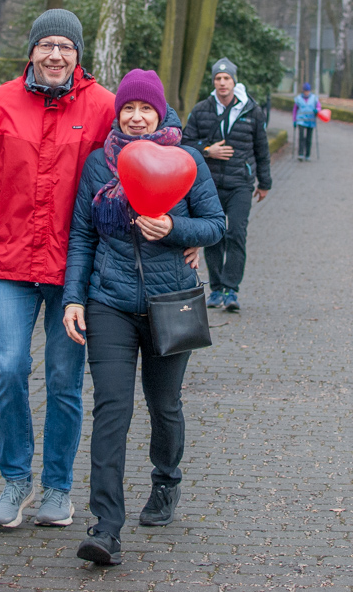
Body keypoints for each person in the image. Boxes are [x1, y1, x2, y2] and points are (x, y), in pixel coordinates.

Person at [0, 9, 114, 529]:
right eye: (46, 44)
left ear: (78, 55)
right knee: (8, 368)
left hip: (74, 270)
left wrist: (180, 224)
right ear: (30, 51)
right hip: (10, 263)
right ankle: (15, 480)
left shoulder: (104, 107)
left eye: (66, 46)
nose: (55, 55)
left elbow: (149, 147)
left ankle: (58, 488)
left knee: (64, 379)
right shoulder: (0, 102)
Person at [62, 69, 225, 566]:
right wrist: (74, 297)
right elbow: (83, 237)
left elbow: (216, 226)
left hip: (169, 304)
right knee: (112, 409)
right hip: (108, 302)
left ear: (160, 112)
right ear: (119, 113)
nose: (136, 117)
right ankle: (105, 528)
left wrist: (175, 228)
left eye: (145, 109)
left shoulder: (188, 160)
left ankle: (166, 481)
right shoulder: (97, 164)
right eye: (128, 108)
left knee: (164, 405)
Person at [181, 57, 272, 313]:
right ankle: (217, 289)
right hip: (209, 184)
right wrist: (208, 151)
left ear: (234, 81)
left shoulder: (251, 110)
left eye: (226, 78)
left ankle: (232, 289)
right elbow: (185, 143)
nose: (222, 83)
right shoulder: (202, 109)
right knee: (214, 236)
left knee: (236, 234)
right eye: (218, 79)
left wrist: (265, 183)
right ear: (214, 82)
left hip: (240, 184)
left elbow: (262, 149)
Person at [292, 82, 320, 161]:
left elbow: (319, 107)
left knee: (309, 138)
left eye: (308, 91)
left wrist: (317, 111)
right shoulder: (298, 99)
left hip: (311, 121)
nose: (306, 93)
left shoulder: (314, 98)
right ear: (303, 91)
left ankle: (307, 155)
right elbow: (294, 110)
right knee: (301, 138)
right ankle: (300, 154)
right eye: (305, 91)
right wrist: (294, 120)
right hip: (301, 121)